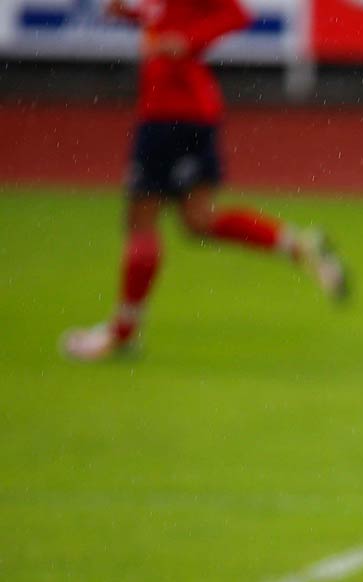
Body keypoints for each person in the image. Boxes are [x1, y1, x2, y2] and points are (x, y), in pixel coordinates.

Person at [60, 0, 347, 362]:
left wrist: (189, 40)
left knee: (142, 221)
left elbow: (234, 14)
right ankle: (299, 245)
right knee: (198, 220)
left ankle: (123, 333)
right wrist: (130, 16)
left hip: (170, 113)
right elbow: (162, 20)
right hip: (186, 110)